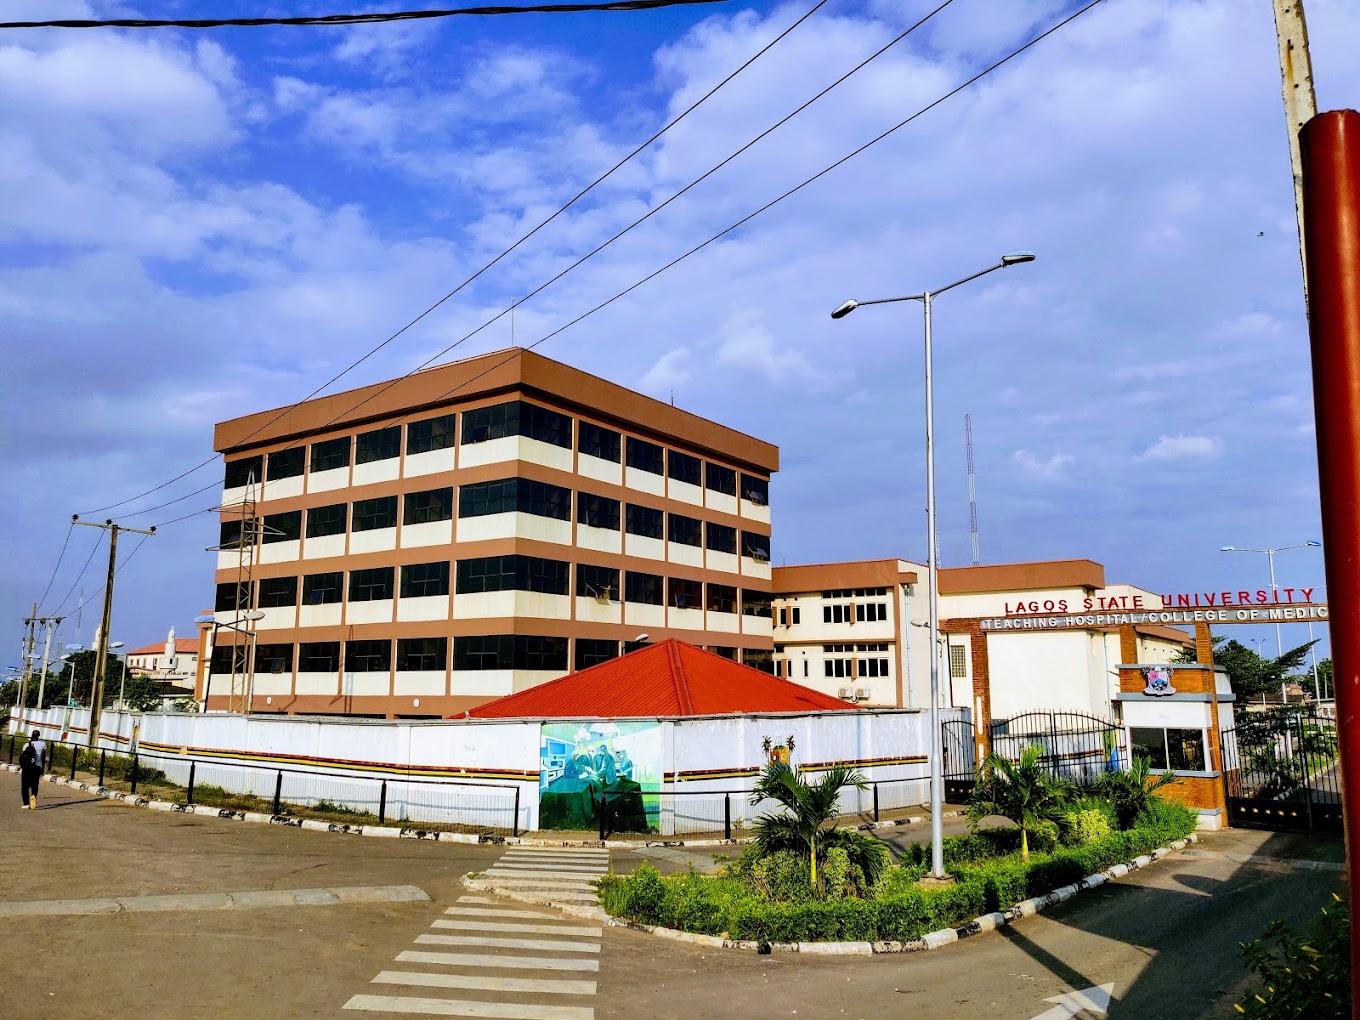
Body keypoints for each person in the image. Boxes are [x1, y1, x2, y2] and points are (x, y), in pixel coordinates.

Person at [19, 729, 46, 810]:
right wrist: (42, 768)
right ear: (39, 736)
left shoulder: (26, 745)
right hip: (37, 767)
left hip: (27, 768)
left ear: (32, 735)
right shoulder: (43, 745)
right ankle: (33, 797)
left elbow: (24, 757)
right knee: (34, 785)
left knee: (25, 786)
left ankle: (26, 804)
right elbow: (43, 757)